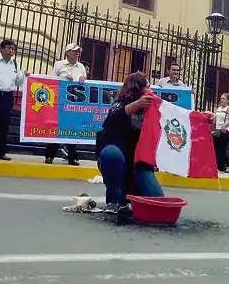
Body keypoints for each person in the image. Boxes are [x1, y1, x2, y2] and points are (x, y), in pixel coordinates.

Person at [95, 72, 165, 216]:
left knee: (158, 204)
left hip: (140, 165)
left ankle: (133, 195)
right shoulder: (119, 104)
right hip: (120, 160)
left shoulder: (153, 107)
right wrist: (137, 105)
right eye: (147, 86)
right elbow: (113, 118)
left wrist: (202, 120)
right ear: (137, 89)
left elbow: (174, 120)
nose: (150, 88)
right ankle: (115, 200)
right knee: (110, 154)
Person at [45, 43, 87, 165]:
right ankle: (50, 155)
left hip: (74, 104)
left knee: (72, 130)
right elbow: (50, 81)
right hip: (61, 102)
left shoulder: (81, 67)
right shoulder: (59, 65)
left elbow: (85, 82)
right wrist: (62, 79)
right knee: (57, 128)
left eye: (78, 51)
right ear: (67, 52)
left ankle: (72, 157)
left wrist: (83, 80)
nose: (77, 53)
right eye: (74, 51)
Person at [213, 93, 229, 172]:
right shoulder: (218, 109)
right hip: (218, 131)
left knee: (222, 149)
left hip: (226, 131)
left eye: (224, 99)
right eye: (221, 98)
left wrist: (224, 125)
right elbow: (215, 119)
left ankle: (220, 168)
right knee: (216, 149)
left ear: (228, 101)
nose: (221, 100)